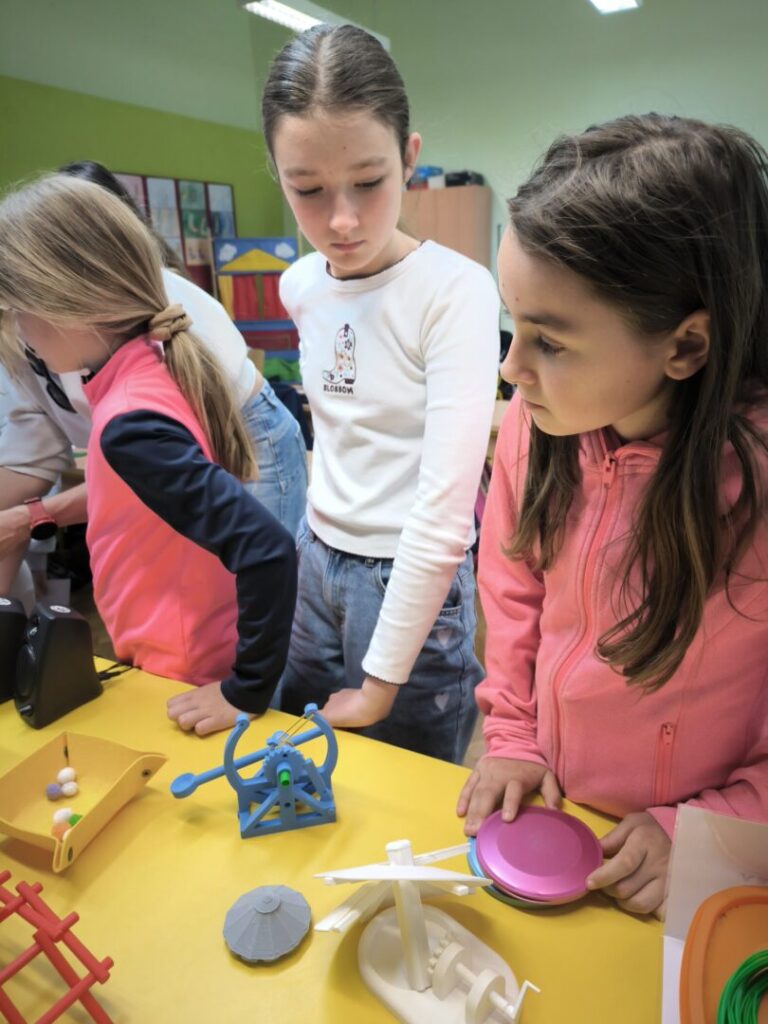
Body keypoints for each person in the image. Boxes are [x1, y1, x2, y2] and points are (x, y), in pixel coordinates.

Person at [456, 113, 768, 917]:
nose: (510, 368)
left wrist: (713, 829)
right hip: (558, 809)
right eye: (512, 326)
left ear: (686, 346)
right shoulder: (536, 427)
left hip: (696, 859)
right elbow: (514, 594)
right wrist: (512, 736)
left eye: (551, 343)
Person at [261, 24, 500, 763]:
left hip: (408, 574)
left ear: (409, 157)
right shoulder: (299, 285)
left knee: (405, 777)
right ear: (278, 174)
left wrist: (382, 680)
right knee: (303, 754)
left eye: (369, 182)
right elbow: (336, 431)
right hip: (317, 553)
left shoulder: (454, 292)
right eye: (307, 190)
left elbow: (445, 509)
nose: (341, 220)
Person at [0, 174, 297, 735]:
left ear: (70, 305)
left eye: (20, 310)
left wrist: (245, 690)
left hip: (183, 667)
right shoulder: (143, 373)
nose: (19, 330)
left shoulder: (128, 423)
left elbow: (267, 549)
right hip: (176, 648)